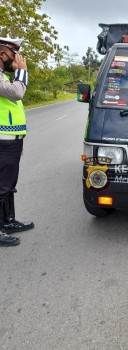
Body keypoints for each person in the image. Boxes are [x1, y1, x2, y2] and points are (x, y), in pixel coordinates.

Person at [0, 37, 34, 246]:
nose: (16, 63)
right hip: (2, 142)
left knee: (9, 185)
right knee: (1, 186)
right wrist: (22, 71)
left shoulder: (2, 76)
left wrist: (18, 140)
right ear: (1, 55)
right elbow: (17, 92)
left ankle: (8, 221)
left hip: (11, 142)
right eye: (13, 58)